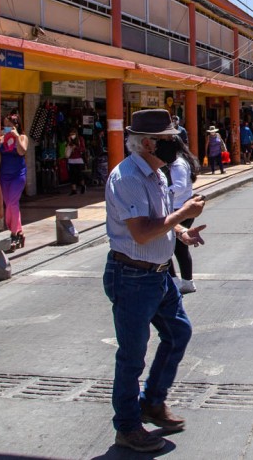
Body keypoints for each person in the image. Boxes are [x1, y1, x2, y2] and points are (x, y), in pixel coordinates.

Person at [103, 109, 206, 452]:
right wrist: (183, 214)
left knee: (179, 332)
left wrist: (180, 231)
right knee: (132, 356)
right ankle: (128, 426)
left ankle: (152, 401)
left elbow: (158, 219)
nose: (175, 144)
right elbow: (143, 232)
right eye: (167, 140)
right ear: (147, 143)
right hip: (132, 275)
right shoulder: (129, 177)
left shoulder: (156, 173)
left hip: (158, 274)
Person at [169, 136, 202, 294]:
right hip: (181, 206)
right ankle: (183, 281)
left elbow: (179, 186)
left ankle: (177, 281)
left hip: (178, 208)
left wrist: (162, 192)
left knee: (170, 247)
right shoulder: (181, 161)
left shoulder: (177, 163)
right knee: (177, 247)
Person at [0, 110, 28, 251]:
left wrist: (16, 137)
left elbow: (22, 151)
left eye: (9, 125)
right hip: (4, 175)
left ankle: (14, 232)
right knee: (8, 203)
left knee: (12, 202)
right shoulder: (1, 139)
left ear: (16, 125)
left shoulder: (22, 137)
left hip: (18, 174)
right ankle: (19, 230)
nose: (6, 128)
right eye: (4, 125)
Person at [66, 128, 87, 195]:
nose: (72, 135)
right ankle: (74, 190)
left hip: (79, 159)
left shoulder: (80, 139)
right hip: (71, 160)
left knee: (79, 174)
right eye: (71, 134)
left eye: (73, 134)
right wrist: (69, 142)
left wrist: (76, 147)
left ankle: (83, 186)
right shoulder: (69, 140)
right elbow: (67, 149)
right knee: (72, 175)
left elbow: (83, 149)